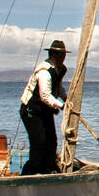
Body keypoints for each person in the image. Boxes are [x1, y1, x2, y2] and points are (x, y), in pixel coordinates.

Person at [20, 40, 68, 175]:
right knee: (39, 142)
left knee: (52, 140)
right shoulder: (44, 71)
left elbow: (58, 87)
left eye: (64, 54)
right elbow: (45, 96)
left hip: (45, 110)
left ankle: (49, 168)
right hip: (31, 110)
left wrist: (66, 99)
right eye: (61, 54)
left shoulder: (60, 69)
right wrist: (61, 105)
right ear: (53, 54)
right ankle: (31, 173)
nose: (63, 57)